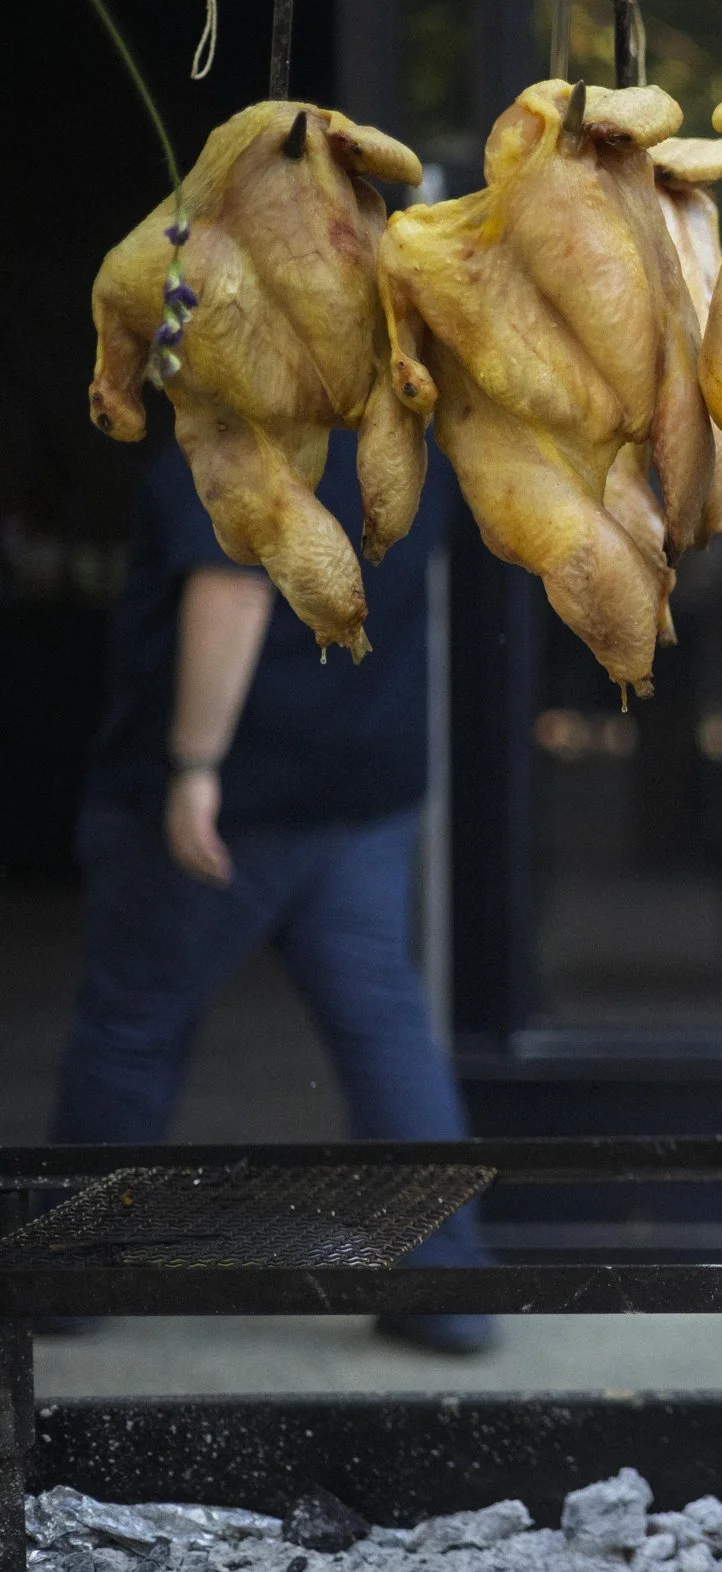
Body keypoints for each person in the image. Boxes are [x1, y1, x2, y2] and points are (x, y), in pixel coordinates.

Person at [58, 430, 495, 1353]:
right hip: (363, 787)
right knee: (384, 1024)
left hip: (229, 799)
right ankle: (448, 1286)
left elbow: (233, 588)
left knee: (132, 1024)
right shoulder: (403, 433)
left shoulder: (240, 430)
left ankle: (64, 1281)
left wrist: (193, 766)